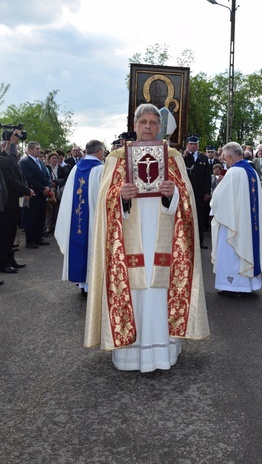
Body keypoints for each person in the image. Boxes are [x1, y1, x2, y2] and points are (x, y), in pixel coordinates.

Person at [84, 104, 209, 372]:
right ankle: (130, 355)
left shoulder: (173, 157)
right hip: (129, 237)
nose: (149, 127)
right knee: (133, 287)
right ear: (135, 124)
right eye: (144, 122)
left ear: (159, 127)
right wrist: (120, 195)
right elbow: (103, 202)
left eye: (154, 122)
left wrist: (172, 192)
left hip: (164, 238)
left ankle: (163, 353)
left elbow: (187, 200)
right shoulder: (116, 158)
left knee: (160, 289)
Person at [210, 142, 262, 295]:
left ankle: (233, 286)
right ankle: (247, 286)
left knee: (232, 252)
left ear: (230, 157)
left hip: (233, 223)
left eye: (224, 157)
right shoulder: (251, 171)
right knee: (247, 249)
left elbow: (218, 198)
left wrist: (213, 205)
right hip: (249, 224)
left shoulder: (234, 172)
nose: (224, 160)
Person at [55, 140, 105, 296]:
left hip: (76, 221)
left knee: (81, 246)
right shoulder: (102, 169)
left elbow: (68, 198)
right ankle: (93, 286)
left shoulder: (76, 168)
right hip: (94, 221)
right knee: (93, 248)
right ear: (99, 152)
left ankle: (83, 286)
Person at [0, 130, 34, 274]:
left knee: (11, 233)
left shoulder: (7, 159)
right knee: (5, 234)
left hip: (13, 202)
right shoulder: (6, 161)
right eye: (7, 145)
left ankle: (9, 259)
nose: (13, 148)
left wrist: (26, 190)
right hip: (5, 204)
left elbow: (19, 176)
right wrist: (12, 143)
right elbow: (11, 179)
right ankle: (3, 263)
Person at [19, 141, 51, 249]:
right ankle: (30, 240)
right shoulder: (25, 162)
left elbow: (47, 176)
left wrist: (48, 187)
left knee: (41, 216)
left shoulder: (40, 162)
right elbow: (29, 178)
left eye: (39, 148)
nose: (39, 150)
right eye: (37, 149)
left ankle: (38, 237)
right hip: (33, 194)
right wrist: (42, 189)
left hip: (43, 194)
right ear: (30, 150)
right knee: (31, 217)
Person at [183, 135, 211, 248]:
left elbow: (207, 176)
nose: (193, 146)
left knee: (199, 217)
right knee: (185, 216)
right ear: (187, 145)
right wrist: (183, 156)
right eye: (191, 144)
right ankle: (185, 240)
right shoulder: (183, 156)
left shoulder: (203, 158)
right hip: (186, 191)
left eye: (195, 144)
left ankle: (200, 240)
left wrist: (207, 192)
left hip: (199, 193)